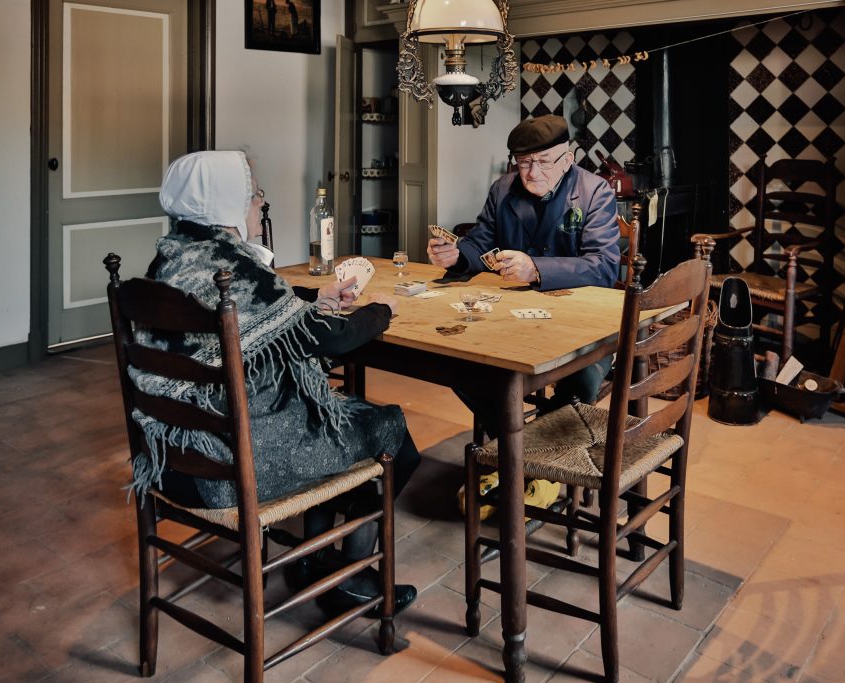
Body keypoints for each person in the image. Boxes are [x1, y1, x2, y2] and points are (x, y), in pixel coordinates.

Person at [137, 150, 417, 617]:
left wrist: (311, 295)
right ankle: (347, 576)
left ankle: (314, 561)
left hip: (172, 458)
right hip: (228, 469)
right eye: (254, 195)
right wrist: (381, 310)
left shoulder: (174, 256)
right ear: (226, 203)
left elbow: (246, 309)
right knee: (388, 430)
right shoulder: (235, 268)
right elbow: (336, 339)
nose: (258, 204)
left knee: (337, 416)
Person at [427, 114, 621, 421]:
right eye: (523, 162)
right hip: (513, 318)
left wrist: (536, 269)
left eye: (543, 162)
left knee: (578, 385)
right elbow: (479, 242)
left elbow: (605, 266)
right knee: (458, 365)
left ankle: (535, 453)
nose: (531, 172)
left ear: (567, 159)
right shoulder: (503, 189)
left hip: (584, 323)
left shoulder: (595, 191)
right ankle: (511, 446)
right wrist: (456, 256)